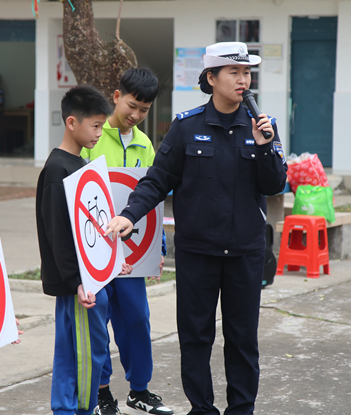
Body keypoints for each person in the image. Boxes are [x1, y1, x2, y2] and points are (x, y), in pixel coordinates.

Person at [105, 42, 288, 415]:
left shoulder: (260, 127)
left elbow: (274, 185)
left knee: (242, 340)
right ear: (211, 78)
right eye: (234, 72)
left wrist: (266, 145)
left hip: (244, 254)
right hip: (197, 254)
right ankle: (202, 409)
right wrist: (130, 214)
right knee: (195, 338)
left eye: (247, 73)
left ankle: (242, 409)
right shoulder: (186, 128)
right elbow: (157, 180)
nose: (242, 80)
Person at [36, 84, 133, 415]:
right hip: (81, 286)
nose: (99, 132)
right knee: (81, 353)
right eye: (94, 125)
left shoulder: (81, 165)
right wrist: (78, 280)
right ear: (71, 123)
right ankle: (74, 409)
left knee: (87, 350)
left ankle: (77, 408)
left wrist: (112, 261)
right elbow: (58, 235)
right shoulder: (57, 169)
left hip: (92, 281)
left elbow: (93, 225)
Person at [81, 68, 172, 415]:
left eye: (144, 110)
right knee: (97, 324)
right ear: (116, 96)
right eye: (132, 105)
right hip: (94, 252)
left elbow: (153, 199)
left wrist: (157, 248)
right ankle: (102, 392)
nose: (136, 115)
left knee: (137, 319)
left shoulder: (145, 145)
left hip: (133, 253)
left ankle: (140, 390)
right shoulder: (92, 136)